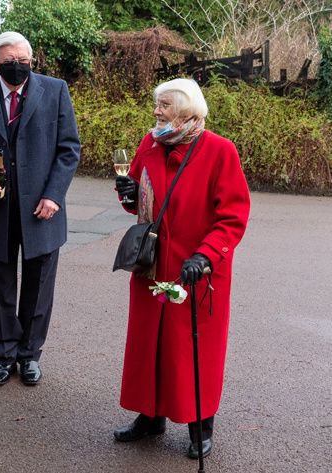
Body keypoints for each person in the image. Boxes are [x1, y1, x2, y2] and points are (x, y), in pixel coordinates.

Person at [113, 78, 250, 458]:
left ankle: (200, 424)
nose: (156, 111)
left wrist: (206, 255)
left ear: (188, 109)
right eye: (156, 104)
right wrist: (127, 194)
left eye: (164, 105)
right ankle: (150, 416)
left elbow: (233, 215)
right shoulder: (151, 142)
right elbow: (137, 198)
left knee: (195, 349)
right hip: (153, 265)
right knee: (148, 344)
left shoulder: (220, 151)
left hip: (198, 269)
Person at [0, 32, 80, 387]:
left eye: (24, 61)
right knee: (3, 284)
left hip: (43, 207)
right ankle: (4, 355)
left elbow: (68, 148)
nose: (18, 67)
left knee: (39, 285)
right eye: (10, 62)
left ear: (31, 61)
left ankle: (29, 355)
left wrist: (54, 195)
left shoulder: (55, 90)